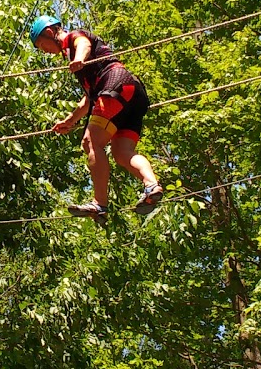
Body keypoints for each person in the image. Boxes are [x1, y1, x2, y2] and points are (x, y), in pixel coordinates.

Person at [30, 14, 164, 224]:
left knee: (90, 141)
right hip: (131, 95)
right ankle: (151, 185)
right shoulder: (77, 64)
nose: (44, 51)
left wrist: (80, 58)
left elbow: (83, 43)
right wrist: (70, 121)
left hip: (116, 84)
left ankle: (99, 204)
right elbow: (89, 99)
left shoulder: (74, 39)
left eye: (41, 44)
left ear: (49, 32)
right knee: (122, 153)